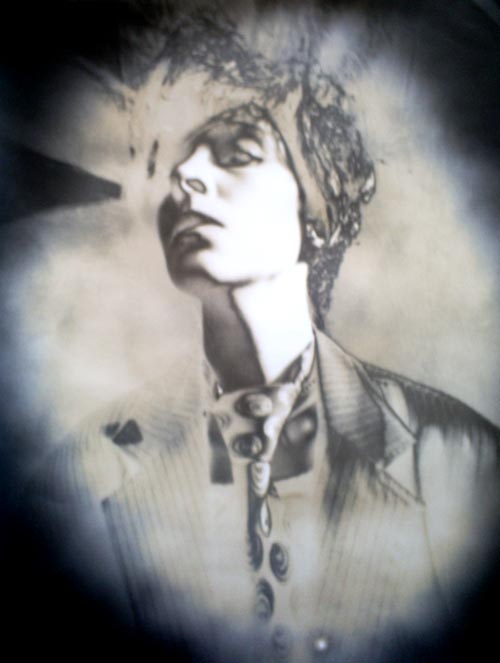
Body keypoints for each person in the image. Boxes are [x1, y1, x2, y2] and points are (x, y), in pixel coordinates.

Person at [30, 47, 499, 663]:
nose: (185, 176)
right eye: (170, 162)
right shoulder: (77, 476)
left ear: (317, 206)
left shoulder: (462, 458)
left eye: (237, 153)